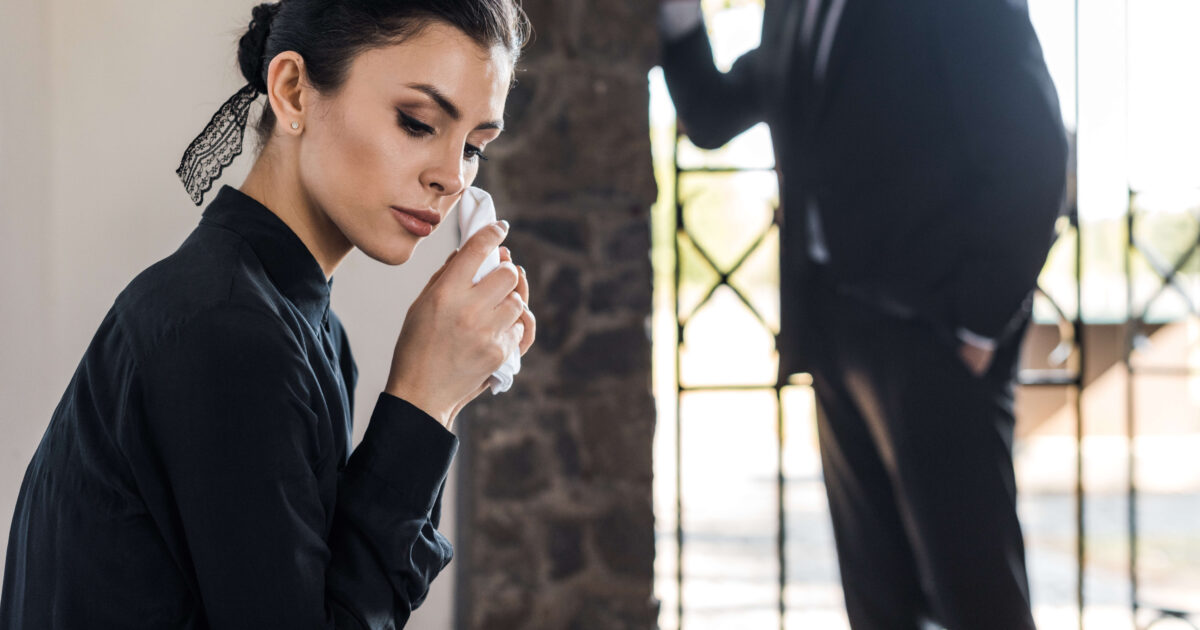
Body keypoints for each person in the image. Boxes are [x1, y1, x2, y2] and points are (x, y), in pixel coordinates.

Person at [0, 1, 534, 628]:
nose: (451, 176)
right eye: (417, 122)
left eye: (474, 147)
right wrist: (424, 403)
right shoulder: (226, 332)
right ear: (293, 91)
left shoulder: (305, 329)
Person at [659, 1, 1068, 628]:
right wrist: (678, 15)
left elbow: (1034, 152)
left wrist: (977, 322)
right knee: (878, 600)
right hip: (832, 331)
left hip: (935, 336)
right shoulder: (794, 8)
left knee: (976, 598)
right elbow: (712, 116)